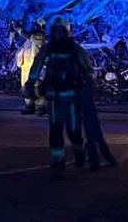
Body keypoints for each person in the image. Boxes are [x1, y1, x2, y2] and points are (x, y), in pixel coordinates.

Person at [29, 16, 89, 179]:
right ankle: (58, 163)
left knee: (74, 130)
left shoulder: (75, 49)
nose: (60, 34)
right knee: (56, 131)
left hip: (71, 97)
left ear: (67, 32)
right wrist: (30, 83)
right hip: (54, 97)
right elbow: (37, 66)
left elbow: (87, 70)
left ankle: (79, 153)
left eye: (62, 31)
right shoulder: (48, 49)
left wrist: (88, 88)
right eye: (57, 31)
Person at [13, 19, 46, 115]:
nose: (34, 27)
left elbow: (26, 35)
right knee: (25, 88)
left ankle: (40, 107)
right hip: (26, 68)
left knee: (36, 88)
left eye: (36, 25)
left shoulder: (39, 37)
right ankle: (29, 106)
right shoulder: (29, 39)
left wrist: (18, 29)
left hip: (34, 68)